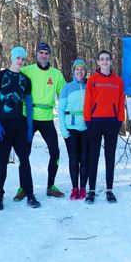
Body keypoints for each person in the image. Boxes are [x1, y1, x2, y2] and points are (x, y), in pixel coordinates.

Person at [0, 46, 41, 211]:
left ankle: (30, 195)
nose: (20, 60)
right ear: (11, 58)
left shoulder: (25, 80)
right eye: (17, 57)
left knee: (24, 160)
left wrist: (30, 126)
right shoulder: (0, 76)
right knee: (1, 162)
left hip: (20, 125)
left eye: (23, 58)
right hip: (3, 125)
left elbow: (29, 104)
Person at [13, 41, 67, 201]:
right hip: (28, 117)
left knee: (55, 153)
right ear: (36, 54)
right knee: (24, 154)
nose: (43, 55)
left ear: (50, 55)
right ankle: (23, 187)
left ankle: (51, 186)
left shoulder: (56, 74)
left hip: (47, 117)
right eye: (41, 52)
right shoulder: (26, 70)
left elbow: (64, 95)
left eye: (46, 53)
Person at [83, 50, 125, 204]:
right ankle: (92, 190)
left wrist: (120, 120)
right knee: (93, 157)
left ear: (111, 61)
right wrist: (87, 120)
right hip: (95, 122)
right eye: (102, 59)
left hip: (112, 123)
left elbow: (121, 102)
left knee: (110, 157)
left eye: (107, 59)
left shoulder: (118, 81)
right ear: (98, 62)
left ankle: (109, 190)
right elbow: (87, 101)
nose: (105, 62)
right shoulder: (92, 80)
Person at [58, 59, 89, 200]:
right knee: (73, 159)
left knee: (84, 158)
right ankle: (74, 188)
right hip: (71, 127)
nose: (79, 71)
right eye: (77, 69)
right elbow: (61, 111)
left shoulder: (90, 86)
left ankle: (83, 188)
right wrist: (63, 131)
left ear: (85, 71)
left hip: (86, 127)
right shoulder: (67, 87)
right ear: (73, 71)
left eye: (82, 69)